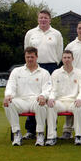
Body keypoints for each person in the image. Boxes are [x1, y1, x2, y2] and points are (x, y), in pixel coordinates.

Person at [23, 10, 63, 139]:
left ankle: (52, 129)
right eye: (41, 18)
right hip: (35, 67)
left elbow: (59, 53)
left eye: (46, 18)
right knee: (33, 96)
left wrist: (54, 64)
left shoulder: (56, 34)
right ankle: (31, 130)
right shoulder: (31, 33)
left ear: (50, 20)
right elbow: (27, 50)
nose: (43, 20)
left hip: (51, 67)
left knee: (51, 97)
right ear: (38, 19)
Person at [3, 47, 51, 146]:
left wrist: (43, 96)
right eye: (27, 57)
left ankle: (40, 134)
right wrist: (8, 95)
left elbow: (47, 88)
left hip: (36, 100)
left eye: (32, 57)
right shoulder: (17, 71)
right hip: (21, 101)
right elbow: (11, 85)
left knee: (41, 104)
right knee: (7, 104)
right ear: (25, 57)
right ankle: (16, 133)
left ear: (37, 57)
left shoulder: (44, 73)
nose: (30, 59)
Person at [46, 50, 81, 146]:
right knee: (50, 107)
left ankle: (78, 136)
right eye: (65, 58)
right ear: (62, 59)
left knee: (79, 107)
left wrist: (80, 99)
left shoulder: (79, 73)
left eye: (69, 57)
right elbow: (53, 89)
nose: (67, 60)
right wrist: (51, 98)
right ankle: (51, 137)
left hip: (73, 101)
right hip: (60, 102)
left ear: (72, 59)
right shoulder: (56, 73)